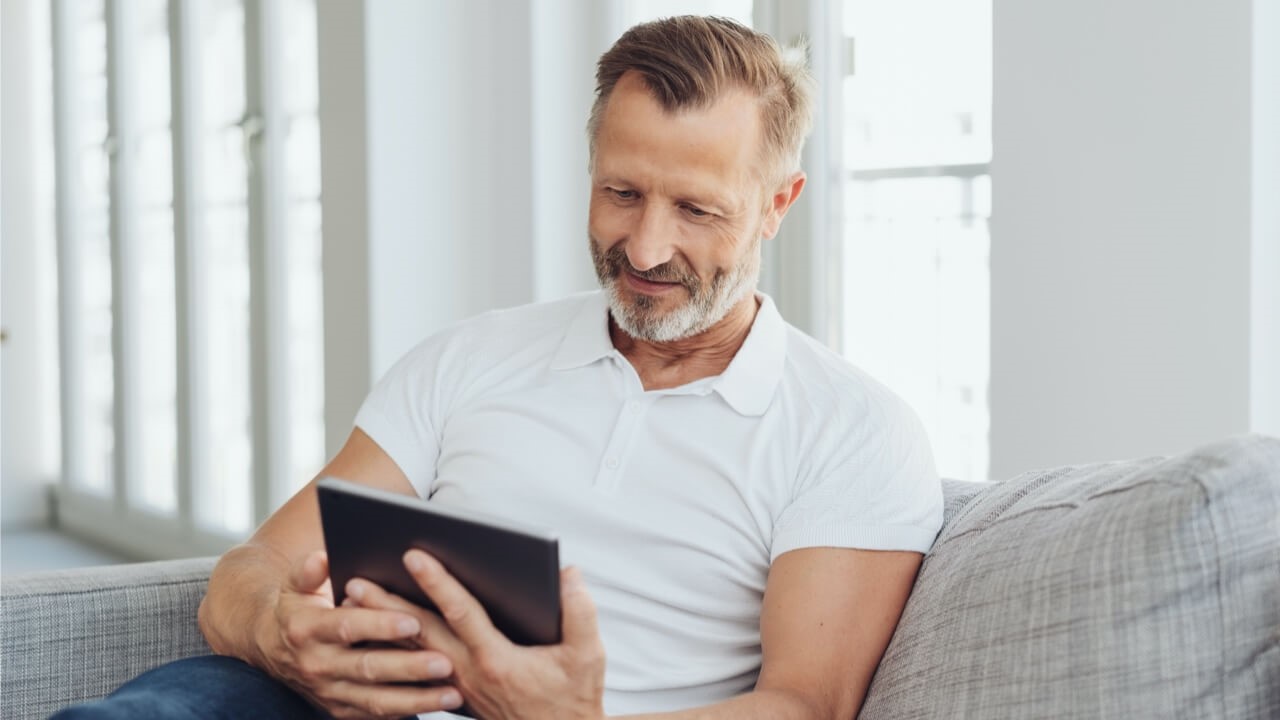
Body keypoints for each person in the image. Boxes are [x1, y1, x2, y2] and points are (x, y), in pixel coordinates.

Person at [53, 15, 942, 720]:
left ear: (778, 203)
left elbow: (805, 705)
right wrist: (277, 630)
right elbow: (256, 565)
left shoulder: (851, 429)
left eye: (697, 209)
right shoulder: (470, 357)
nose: (645, 246)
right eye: (620, 192)